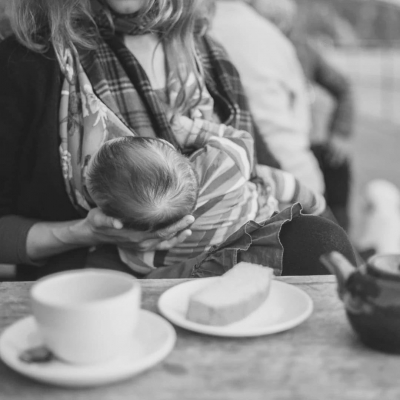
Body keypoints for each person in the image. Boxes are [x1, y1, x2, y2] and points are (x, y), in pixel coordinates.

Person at [0, 0, 357, 280]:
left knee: (322, 241)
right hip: (97, 271)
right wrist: (85, 233)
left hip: (222, 253)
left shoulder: (207, 54)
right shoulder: (25, 63)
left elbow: (262, 173)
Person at [86, 118, 326, 275]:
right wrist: (192, 130)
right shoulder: (221, 163)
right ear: (166, 145)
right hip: (261, 210)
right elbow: (241, 138)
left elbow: (136, 263)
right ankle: (314, 201)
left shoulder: (147, 249)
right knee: (270, 178)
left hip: (240, 242)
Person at [249, 0, 355, 231]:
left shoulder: (301, 49)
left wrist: (340, 132)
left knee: (337, 164)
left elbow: (343, 87)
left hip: (304, 142)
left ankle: (342, 239)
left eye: (279, 22)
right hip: (267, 146)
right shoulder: (250, 47)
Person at [211, 0, 325, 195]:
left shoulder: (207, 28)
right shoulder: (273, 39)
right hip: (290, 167)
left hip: (243, 170)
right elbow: (300, 107)